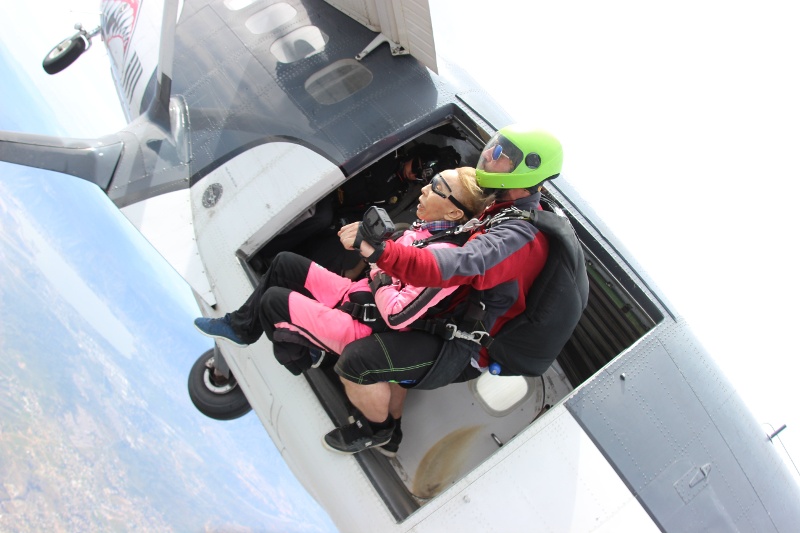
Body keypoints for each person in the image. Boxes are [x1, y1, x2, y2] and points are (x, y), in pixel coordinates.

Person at [324, 126, 563, 455]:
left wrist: (381, 254)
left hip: (463, 346)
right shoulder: (504, 210)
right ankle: (392, 435)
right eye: (493, 149)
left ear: (528, 169)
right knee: (388, 356)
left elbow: (461, 263)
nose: (490, 158)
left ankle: (375, 431)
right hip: (451, 319)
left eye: (501, 156)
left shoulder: (520, 235)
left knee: (358, 360)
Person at [193, 166, 490, 385]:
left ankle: (308, 356)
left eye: (437, 187)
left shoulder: (445, 260)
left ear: (454, 214)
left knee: (273, 302)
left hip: (366, 326)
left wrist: (378, 268)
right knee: (284, 264)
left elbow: (398, 315)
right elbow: (385, 267)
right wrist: (374, 252)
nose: (425, 188)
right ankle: (242, 328)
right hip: (356, 295)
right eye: (431, 180)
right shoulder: (423, 231)